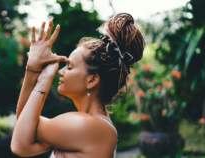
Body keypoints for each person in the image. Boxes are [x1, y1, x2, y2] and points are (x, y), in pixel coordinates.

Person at [11, 13, 145, 158]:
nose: (61, 72)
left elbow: (20, 145)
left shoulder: (88, 127)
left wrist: (43, 79)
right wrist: (32, 70)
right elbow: (24, 125)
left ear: (92, 80)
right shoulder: (88, 127)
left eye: (69, 67)